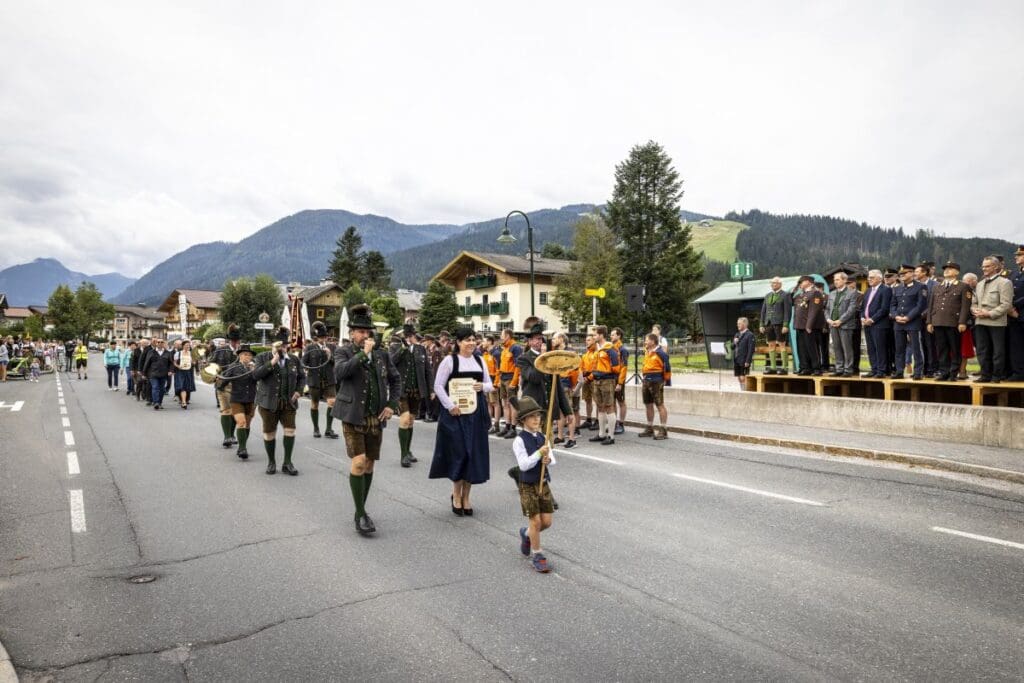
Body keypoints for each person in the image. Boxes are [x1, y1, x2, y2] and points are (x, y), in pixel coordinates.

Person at [332, 304, 401, 536]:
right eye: (360, 332)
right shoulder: (344, 352)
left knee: (370, 463)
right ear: (352, 333)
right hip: (352, 414)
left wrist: (392, 405)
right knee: (359, 461)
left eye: (367, 331)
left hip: (375, 416)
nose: (365, 335)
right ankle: (361, 513)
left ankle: (360, 509)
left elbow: (396, 380)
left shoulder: (382, 354)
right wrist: (363, 354)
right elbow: (340, 374)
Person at [429, 326, 493, 516]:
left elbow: (490, 384)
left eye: (473, 339)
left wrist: (483, 386)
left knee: (473, 454)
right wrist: (450, 406)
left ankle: (467, 496)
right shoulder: (450, 361)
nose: (471, 343)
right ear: (458, 342)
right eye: (467, 340)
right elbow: (438, 386)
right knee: (460, 453)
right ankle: (456, 494)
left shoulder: (480, 360)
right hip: (456, 414)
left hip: (476, 412)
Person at [253, 327, 305, 475]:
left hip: (289, 402)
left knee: (290, 430)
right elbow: (256, 375)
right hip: (268, 402)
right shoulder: (262, 357)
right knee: (270, 433)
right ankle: (271, 462)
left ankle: (287, 462)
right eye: (278, 345)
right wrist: (272, 362)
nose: (282, 348)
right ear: (272, 346)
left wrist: (299, 391)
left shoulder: (294, 359)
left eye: (284, 345)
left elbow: (302, 377)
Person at [512, 396, 556, 573]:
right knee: (536, 521)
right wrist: (539, 454)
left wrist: (547, 458)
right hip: (528, 485)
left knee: (546, 522)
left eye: (538, 415)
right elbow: (523, 465)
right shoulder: (519, 440)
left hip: (543, 483)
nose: (537, 419)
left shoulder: (543, 437)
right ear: (523, 420)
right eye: (532, 416)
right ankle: (538, 555)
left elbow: (552, 461)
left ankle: (527, 534)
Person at [390, 324, 430, 467]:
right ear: (404, 338)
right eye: (408, 336)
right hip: (402, 390)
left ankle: (408, 450)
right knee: (405, 419)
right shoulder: (396, 348)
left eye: (412, 336)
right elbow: (391, 362)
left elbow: (427, 371)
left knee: (411, 421)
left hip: (417, 390)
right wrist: (403, 348)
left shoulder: (421, 349)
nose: (412, 338)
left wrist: (430, 389)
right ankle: (403, 455)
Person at [925, 261, 972, 381]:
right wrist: (929, 321)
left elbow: (965, 306)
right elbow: (931, 305)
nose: (946, 270)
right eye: (945, 268)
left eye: (950, 268)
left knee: (955, 348)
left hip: (953, 322)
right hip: (938, 321)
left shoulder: (963, 286)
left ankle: (953, 373)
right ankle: (944, 372)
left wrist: (962, 322)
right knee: (941, 349)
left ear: (957, 272)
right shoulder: (937, 286)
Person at [971, 256, 1013, 383]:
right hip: (979, 321)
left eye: (987, 266)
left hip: (996, 322)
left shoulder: (1005, 282)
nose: (984, 268)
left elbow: (1006, 304)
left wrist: (989, 313)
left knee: (997, 351)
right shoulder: (979, 284)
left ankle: (996, 376)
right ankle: (985, 375)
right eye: (983, 266)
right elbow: (974, 302)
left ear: (995, 267)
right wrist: (974, 310)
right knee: (982, 350)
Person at [216, 344, 258, 459]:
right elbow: (223, 381)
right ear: (240, 355)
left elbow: (261, 378)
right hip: (237, 399)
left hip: (251, 399)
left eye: (249, 355)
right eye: (245, 354)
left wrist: (254, 370)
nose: (248, 357)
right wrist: (218, 384)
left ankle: (242, 446)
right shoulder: (233, 367)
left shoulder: (255, 367)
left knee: (247, 424)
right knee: (241, 422)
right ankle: (243, 449)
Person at [889, 265, 928, 380]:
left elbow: (920, 305)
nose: (902, 276)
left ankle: (918, 372)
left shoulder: (921, 287)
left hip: (913, 322)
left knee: (916, 348)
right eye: (900, 274)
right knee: (899, 348)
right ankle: (899, 371)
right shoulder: (897, 288)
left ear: (912, 274)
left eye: (904, 273)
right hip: (898, 322)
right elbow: (893, 305)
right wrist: (896, 316)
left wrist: (908, 317)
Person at [303, 321, 339, 440]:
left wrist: (330, 355)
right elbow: (304, 362)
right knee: (315, 404)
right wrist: (306, 369)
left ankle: (328, 429)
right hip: (315, 380)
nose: (323, 339)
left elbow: (337, 363)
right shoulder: (310, 347)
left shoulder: (332, 347)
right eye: (320, 337)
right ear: (316, 338)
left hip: (329, 379)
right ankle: (316, 428)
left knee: (332, 402)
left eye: (324, 337)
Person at [212, 325, 243, 448]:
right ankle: (226, 436)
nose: (236, 343)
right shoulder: (220, 350)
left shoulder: (244, 350)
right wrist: (214, 374)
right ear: (230, 340)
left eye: (237, 341)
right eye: (234, 341)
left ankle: (231, 434)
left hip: (239, 384)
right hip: (223, 383)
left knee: (235, 411)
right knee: (226, 410)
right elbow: (211, 363)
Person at [589, 325, 620, 445]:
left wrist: (607, 373)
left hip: (607, 380)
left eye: (595, 335)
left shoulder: (609, 348)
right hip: (597, 380)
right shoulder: (597, 348)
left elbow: (616, 367)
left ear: (601, 335)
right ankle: (602, 434)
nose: (594, 337)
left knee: (609, 407)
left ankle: (611, 436)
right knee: (600, 407)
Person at [861, 269, 893, 378]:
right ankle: (874, 369)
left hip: (879, 324)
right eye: (868, 277)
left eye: (872, 277)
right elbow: (863, 307)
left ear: (879, 278)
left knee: (880, 348)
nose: (869, 279)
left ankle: (882, 370)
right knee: (871, 348)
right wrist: (862, 317)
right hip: (867, 324)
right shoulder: (868, 290)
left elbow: (884, 309)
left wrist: (872, 319)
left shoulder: (886, 290)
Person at [825, 272, 859, 376]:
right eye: (834, 280)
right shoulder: (832, 293)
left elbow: (851, 309)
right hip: (833, 324)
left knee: (847, 347)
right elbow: (826, 309)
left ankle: (848, 369)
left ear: (844, 280)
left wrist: (840, 320)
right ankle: (839, 368)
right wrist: (828, 319)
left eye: (838, 280)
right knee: (836, 347)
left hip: (845, 325)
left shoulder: (852, 293)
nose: (835, 282)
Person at [639, 332, 671, 439]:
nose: (645, 342)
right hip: (646, 380)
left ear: (653, 341)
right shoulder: (647, 352)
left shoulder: (660, 353)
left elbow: (667, 368)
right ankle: (649, 428)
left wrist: (666, 381)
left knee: (659, 404)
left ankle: (663, 429)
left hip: (656, 381)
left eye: (647, 340)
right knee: (648, 404)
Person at [549, 332, 578, 449]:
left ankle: (572, 439)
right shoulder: (555, 351)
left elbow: (575, 370)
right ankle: (560, 436)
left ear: (561, 339)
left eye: (555, 338)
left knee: (569, 411)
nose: (553, 341)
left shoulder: (570, 352)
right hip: (557, 382)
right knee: (560, 412)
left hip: (565, 383)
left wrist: (572, 384)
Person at [759, 277, 793, 374]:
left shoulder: (785, 295)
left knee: (782, 344)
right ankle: (773, 367)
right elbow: (763, 311)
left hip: (780, 323)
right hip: (768, 323)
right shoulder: (767, 295)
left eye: (775, 283)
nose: (773, 285)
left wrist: (786, 325)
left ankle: (784, 368)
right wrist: (761, 324)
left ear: (780, 284)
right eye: (772, 283)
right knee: (771, 344)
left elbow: (788, 311)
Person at [793, 276, 825, 375]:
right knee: (802, 348)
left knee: (812, 348)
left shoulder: (815, 293)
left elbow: (813, 311)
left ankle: (816, 368)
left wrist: (809, 325)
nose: (800, 284)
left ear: (808, 282)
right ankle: (805, 367)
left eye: (801, 282)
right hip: (800, 325)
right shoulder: (801, 294)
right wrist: (795, 289)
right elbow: (792, 301)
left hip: (810, 326)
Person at [496, 327, 522, 438]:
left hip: (511, 378)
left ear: (507, 336)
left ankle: (513, 428)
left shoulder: (515, 347)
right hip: (503, 377)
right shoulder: (504, 348)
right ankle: (507, 426)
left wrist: (514, 381)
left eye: (502, 335)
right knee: (504, 403)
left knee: (512, 404)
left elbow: (518, 366)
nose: (501, 337)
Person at [916, 263, 938, 376]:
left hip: (929, 319)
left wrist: (924, 314)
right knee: (920, 345)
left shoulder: (935, 285)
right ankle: (923, 369)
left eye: (917, 272)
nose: (915, 274)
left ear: (924, 272)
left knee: (930, 344)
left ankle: (932, 369)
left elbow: (935, 303)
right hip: (916, 319)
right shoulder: (915, 285)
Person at [1006, 245, 1024, 382]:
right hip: (1013, 315)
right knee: (1016, 345)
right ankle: (1018, 372)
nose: (1016, 257)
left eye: (1019, 255)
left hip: (1019, 311)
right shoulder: (1015, 274)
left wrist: (1013, 306)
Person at [142, 338, 173, 409]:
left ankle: (160, 402)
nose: (160, 343)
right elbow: (147, 363)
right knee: (155, 387)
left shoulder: (167, 353)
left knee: (162, 389)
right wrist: (144, 374)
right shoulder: (151, 352)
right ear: (156, 343)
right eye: (158, 342)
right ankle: (156, 402)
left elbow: (171, 363)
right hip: (153, 374)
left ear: (164, 343)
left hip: (163, 374)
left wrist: (170, 371)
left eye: (162, 342)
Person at [958, 273, 979, 380]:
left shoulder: (979, 289)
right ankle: (960, 370)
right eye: (965, 281)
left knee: (967, 349)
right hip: (961, 322)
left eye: (969, 281)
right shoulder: (960, 289)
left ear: (974, 281)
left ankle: (963, 371)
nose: (966, 283)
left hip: (974, 322)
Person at [480, 335, 502, 433]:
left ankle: (496, 425)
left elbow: (498, 369)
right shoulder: (485, 353)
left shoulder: (496, 353)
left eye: (484, 341)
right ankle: (489, 423)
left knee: (495, 403)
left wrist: (496, 383)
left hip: (493, 380)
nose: (482, 343)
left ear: (489, 342)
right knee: (488, 402)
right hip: (486, 380)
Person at [579, 332, 598, 430]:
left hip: (593, 379)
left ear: (594, 341)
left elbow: (596, 368)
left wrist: (589, 378)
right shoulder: (586, 353)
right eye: (586, 340)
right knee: (587, 400)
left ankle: (598, 421)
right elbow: (581, 366)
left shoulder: (596, 353)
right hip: (586, 379)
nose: (587, 342)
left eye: (589, 340)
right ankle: (589, 419)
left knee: (597, 401)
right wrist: (582, 377)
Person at [173, 339, 196, 408]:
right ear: (183, 346)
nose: (187, 346)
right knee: (182, 386)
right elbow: (174, 362)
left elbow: (194, 362)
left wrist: (193, 363)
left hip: (188, 371)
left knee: (187, 386)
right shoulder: (178, 353)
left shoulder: (192, 353)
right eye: (186, 345)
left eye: (189, 345)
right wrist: (178, 366)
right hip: (180, 371)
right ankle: (183, 402)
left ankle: (185, 400)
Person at [733, 317, 756, 388]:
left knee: (743, 377)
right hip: (737, 359)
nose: (738, 325)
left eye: (739, 324)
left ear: (745, 324)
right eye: (737, 324)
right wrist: (734, 342)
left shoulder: (750, 335)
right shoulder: (737, 334)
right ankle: (742, 391)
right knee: (739, 378)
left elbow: (751, 349)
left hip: (744, 360)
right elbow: (732, 347)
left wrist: (748, 361)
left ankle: (746, 391)